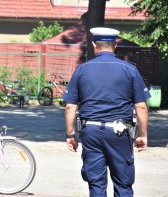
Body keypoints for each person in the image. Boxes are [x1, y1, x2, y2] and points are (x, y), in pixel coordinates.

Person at [63, 27, 151, 197]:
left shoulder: (81, 70)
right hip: (120, 132)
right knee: (123, 184)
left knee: (96, 183)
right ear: (115, 44)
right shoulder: (130, 69)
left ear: (94, 45)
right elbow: (141, 106)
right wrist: (143, 134)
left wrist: (70, 135)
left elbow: (70, 107)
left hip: (91, 131)